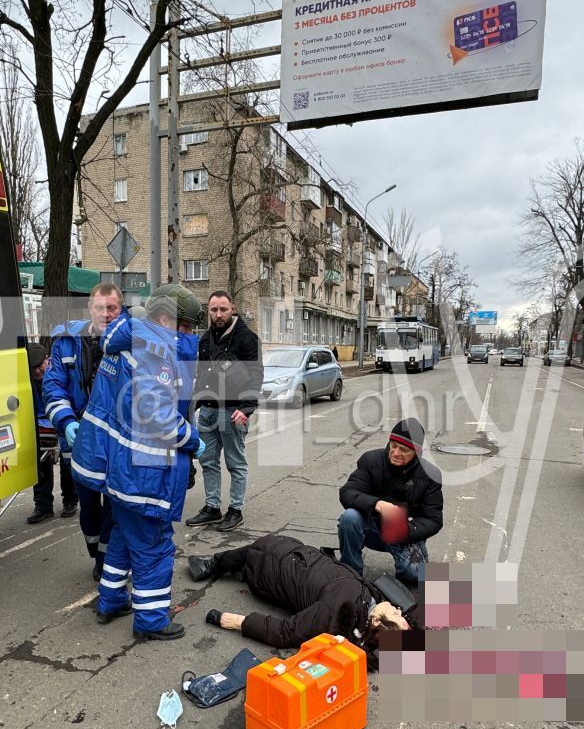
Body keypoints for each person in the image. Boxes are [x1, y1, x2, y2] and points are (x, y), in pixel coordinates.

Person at [73, 283, 204, 640]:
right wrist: (192, 439)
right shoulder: (154, 351)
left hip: (122, 467)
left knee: (121, 537)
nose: (190, 335)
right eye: (187, 327)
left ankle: (111, 600)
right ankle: (152, 620)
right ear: (165, 319)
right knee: (154, 545)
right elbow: (158, 416)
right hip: (145, 471)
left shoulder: (128, 342)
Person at [187, 534, 411, 670]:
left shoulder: (337, 611)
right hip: (300, 557)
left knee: (257, 551)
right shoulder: (371, 605)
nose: (399, 609)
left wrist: (235, 621)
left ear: (375, 621)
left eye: (396, 616)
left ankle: (215, 563)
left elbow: (287, 632)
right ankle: (236, 568)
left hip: (276, 566)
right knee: (264, 550)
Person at [45, 283, 123, 577]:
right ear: (91, 309)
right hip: (79, 440)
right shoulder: (66, 341)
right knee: (89, 507)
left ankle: (108, 564)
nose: (106, 314)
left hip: (117, 442)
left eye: (112, 308)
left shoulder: (131, 342)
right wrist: (66, 422)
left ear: (121, 308)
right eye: (100, 308)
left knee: (116, 506)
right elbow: (53, 387)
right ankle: (97, 553)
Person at [187, 291, 261, 533]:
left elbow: (255, 376)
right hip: (207, 410)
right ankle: (212, 507)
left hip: (232, 411)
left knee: (235, 463)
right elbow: (201, 375)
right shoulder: (206, 339)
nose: (218, 315)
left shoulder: (247, 338)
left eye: (223, 309)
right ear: (208, 310)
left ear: (233, 309)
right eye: (213, 310)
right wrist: (194, 406)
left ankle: (235, 510)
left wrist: (247, 408)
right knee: (208, 461)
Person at [337, 417, 443, 585]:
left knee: (417, 576)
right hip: (372, 528)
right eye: (393, 445)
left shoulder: (430, 475)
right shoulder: (371, 460)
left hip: (403, 532)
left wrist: (406, 530)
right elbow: (347, 492)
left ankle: (409, 571)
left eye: (403, 450)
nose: (395, 453)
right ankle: (351, 573)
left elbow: (434, 520)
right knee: (349, 517)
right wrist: (377, 504)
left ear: (417, 452)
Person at [25, 343, 77, 524]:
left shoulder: (60, 375)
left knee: (67, 460)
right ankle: (43, 506)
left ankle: (70, 500)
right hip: (42, 426)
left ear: (47, 360)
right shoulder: (28, 385)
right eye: (33, 370)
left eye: (40, 367)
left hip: (64, 421)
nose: (38, 372)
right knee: (41, 462)